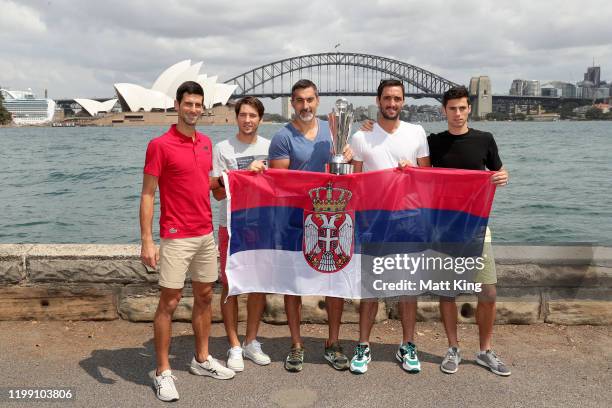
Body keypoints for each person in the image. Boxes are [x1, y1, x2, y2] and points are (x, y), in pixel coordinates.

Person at [140, 81, 234, 402]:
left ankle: (202, 359)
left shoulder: (207, 143)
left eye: (198, 105)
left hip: (205, 233)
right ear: (177, 105)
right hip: (176, 235)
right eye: (189, 104)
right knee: (169, 302)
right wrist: (147, 241)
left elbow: (205, 183)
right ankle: (163, 371)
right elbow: (148, 194)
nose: (194, 109)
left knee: (205, 296)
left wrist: (228, 181)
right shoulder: (159, 145)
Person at [268, 79, 352, 372]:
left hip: (332, 217)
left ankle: (333, 342)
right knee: (294, 285)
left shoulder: (335, 134)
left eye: (310, 100)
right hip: (294, 220)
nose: (305, 105)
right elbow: (279, 183)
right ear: (293, 103)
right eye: (300, 100)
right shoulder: (282, 137)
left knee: (335, 280)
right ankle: (296, 344)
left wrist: (350, 160)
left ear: (318, 101)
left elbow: (349, 176)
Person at [348, 79, 431, 374]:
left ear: (403, 101)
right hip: (374, 221)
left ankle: (408, 344)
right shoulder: (361, 136)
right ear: (378, 100)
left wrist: (413, 172)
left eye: (397, 98)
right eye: (387, 98)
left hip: (408, 221)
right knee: (370, 288)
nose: (392, 103)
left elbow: (428, 177)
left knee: (408, 288)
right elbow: (355, 183)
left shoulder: (417, 132)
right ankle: (363, 344)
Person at [427, 85, 510, 376]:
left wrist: (502, 176)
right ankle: (453, 348)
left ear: (469, 109)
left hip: (477, 228)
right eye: (452, 108)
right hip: (445, 229)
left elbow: (500, 171)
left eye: (463, 108)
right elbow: (418, 172)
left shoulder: (485, 139)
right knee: (447, 292)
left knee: (487, 291)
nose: (458, 114)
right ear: (444, 111)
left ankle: (485, 350)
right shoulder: (434, 142)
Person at [211, 96, 271, 372]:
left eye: (253, 116)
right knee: (230, 284)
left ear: (260, 119)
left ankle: (251, 340)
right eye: (243, 115)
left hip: (261, 224)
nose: (247, 120)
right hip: (230, 225)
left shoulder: (270, 147)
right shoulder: (222, 148)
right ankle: (234, 344)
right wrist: (246, 174)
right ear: (236, 117)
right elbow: (219, 192)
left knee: (258, 284)